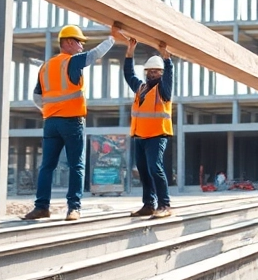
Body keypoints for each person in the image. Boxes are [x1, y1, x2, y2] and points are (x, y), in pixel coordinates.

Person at [24, 23, 115, 222]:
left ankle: (41, 207)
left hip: (51, 122)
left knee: (47, 166)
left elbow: (36, 97)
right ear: (69, 42)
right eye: (79, 42)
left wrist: (50, 110)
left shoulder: (46, 66)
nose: (82, 46)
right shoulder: (71, 62)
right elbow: (95, 54)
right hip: (72, 122)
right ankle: (73, 208)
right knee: (77, 165)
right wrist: (112, 38)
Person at [119, 31, 173, 219]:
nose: (152, 73)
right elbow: (128, 74)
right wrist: (130, 52)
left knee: (154, 167)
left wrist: (167, 58)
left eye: (156, 71)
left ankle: (164, 204)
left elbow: (168, 78)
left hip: (157, 135)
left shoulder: (163, 90)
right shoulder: (141, 88)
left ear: (161, 73)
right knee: (143, 170)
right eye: (149, 71)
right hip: (140, 136)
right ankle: (148, 204)